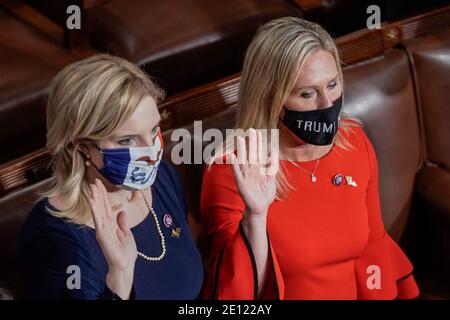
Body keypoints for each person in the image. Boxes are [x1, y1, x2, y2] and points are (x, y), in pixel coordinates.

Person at [200, 17, 420, 300]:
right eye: (307, 94)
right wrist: (255, 216)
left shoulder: (353, 142)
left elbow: (374, 245)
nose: (327, 104)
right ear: (271, 99)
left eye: (332, 84)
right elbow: (234, 295)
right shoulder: (231, 170)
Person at [18, 54, 203, 300]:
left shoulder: (162, 178)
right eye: (128, 140)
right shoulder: (53, 238)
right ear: (83, 146)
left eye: (153, 130)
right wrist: (120, 275)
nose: (150, 153)